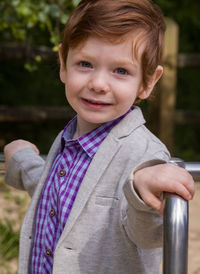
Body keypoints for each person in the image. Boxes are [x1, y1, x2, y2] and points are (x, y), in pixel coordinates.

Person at [4, 0, 194, 273]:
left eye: (121, 71)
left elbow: (149, 234)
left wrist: (142, 192)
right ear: (63, 64)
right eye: (84, 63)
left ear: (148, 81)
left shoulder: (145, 155)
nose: (98, 84)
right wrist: (22, 161)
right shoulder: (69, 137)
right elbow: (62, 195)